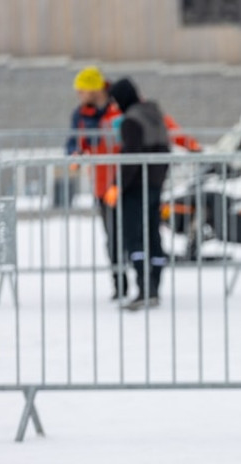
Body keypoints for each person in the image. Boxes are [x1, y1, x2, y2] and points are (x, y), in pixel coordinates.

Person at [106, 78, 172, 311]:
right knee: (153, 236)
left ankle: (145, 290)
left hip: (135, 189)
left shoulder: (131, 121)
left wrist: (117, 186)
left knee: (135, 239)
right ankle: (154, 286)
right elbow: (166, 150)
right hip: (154, 186)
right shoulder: (154, 115)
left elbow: (130, 159)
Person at [66, 66, 126, 298]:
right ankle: (118, 283)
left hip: (126, 181)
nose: (79, 95)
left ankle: (144, 282)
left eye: (82, 90)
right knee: (111, 237)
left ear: (94, 90)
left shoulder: (118, 108)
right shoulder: (80, 114)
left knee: (132, 236)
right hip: (102, 185)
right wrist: (75, 155)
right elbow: (74, 142)